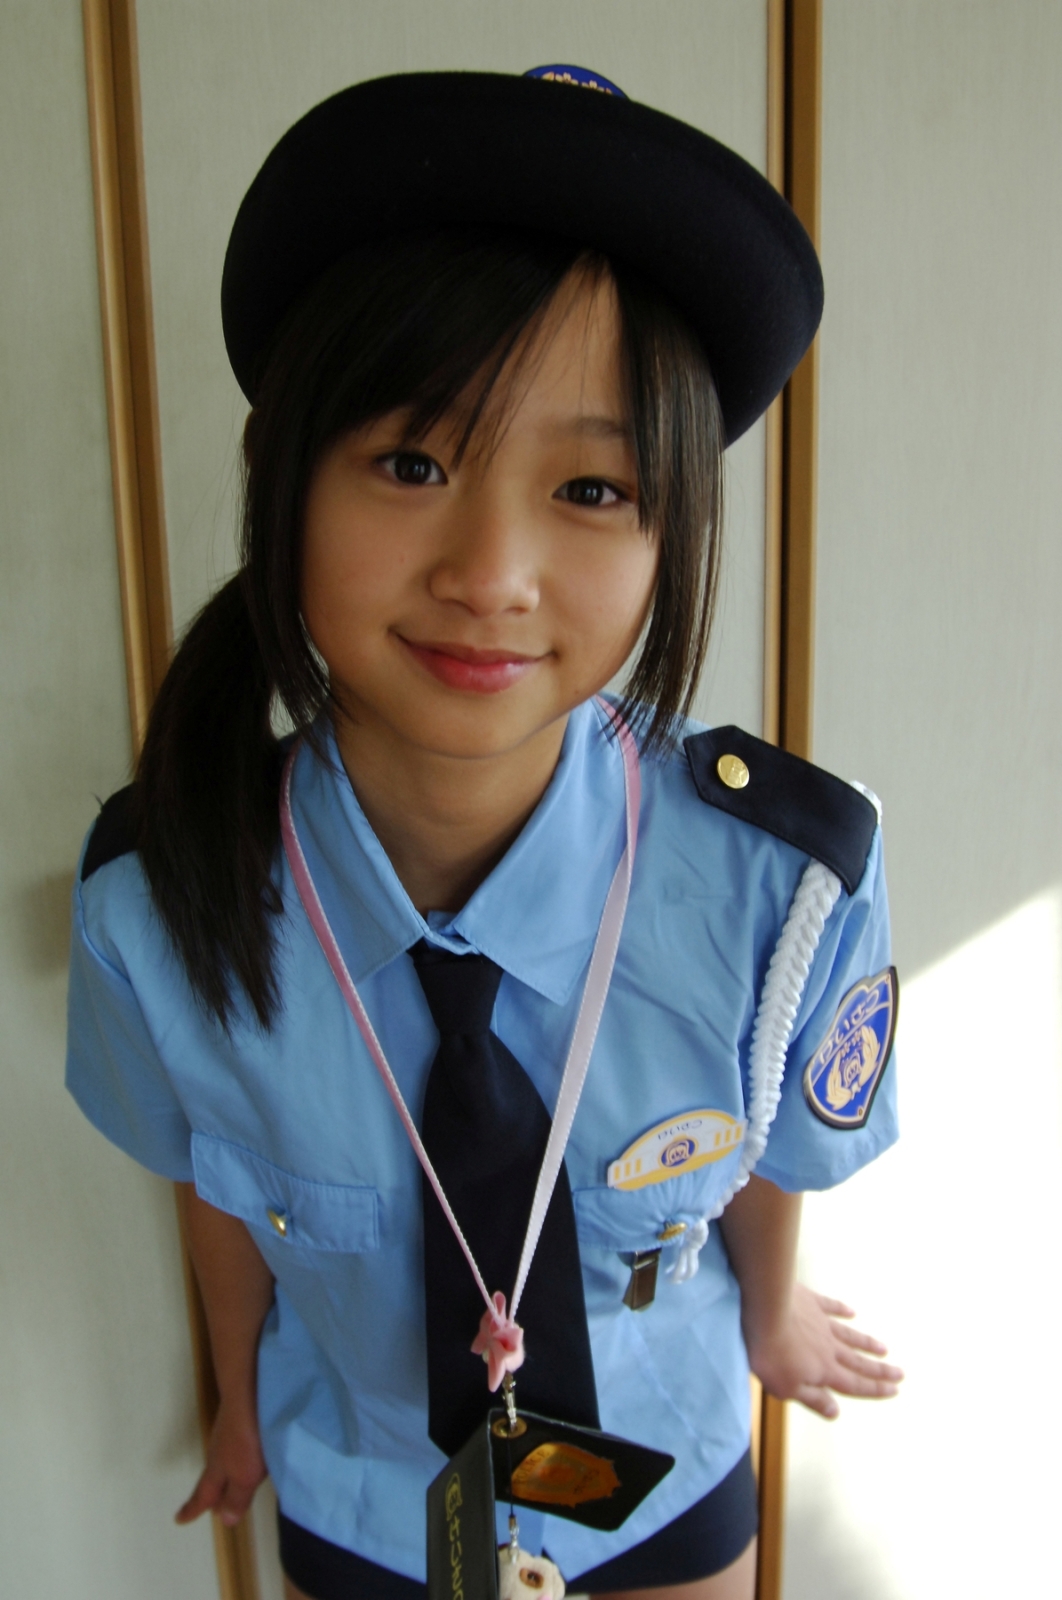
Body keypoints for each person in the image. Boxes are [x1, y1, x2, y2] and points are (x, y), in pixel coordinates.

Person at [66, 66, 903, 1600]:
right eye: (412, 463)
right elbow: (214, 1180)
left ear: (670, 534)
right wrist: (237, 1397)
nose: (492, 572)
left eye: (589, 486)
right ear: (278, 481)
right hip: (364, 1495)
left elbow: (771, 1140)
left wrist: (771, 1313)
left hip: (661, 1472)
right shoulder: (155, 903)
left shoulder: (782, 890)